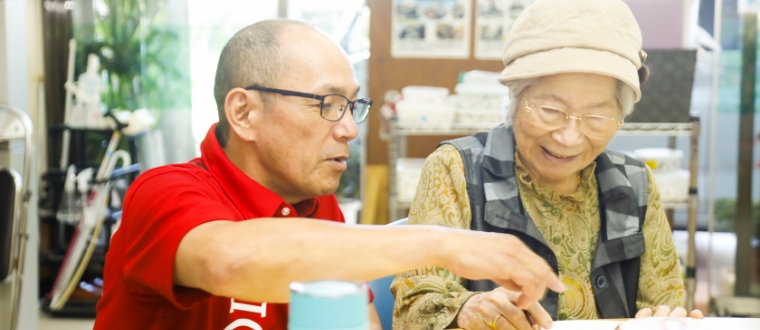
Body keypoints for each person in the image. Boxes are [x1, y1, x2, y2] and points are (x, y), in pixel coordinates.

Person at [94, 19, 565, 330]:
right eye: (327, 104)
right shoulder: (164, 192)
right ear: (244, 112)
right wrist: (446, 242)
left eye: (351, 105)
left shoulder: (317, 204)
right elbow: (229, 261)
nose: (348, 130)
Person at [391, 0, 703, 329]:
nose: (569, 138)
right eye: (550, 111)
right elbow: (413, 308)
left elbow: (662, 304)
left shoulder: (635, 184)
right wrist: (467, 310)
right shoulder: (456, 169)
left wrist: (666, 320)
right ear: (515, 99)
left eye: (596, 118)